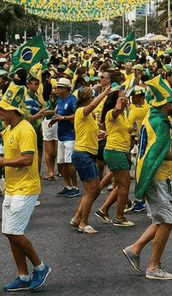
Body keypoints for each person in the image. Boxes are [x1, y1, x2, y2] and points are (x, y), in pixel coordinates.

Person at [122, 77, 172, 281]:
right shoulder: (159, 122)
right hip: (156, 177)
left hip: (156, 176)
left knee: (160, 219)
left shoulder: (152, 117)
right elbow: (160, 154)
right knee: (168, 220)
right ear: (165, 105)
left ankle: (134, 249)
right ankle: (153, 267)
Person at [0, 86, 51, 292]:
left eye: (3, 109)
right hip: (13, 188)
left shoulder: (24, 130)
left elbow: (27, 159)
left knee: (13, 231)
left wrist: (1, 162)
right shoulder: (12, 128)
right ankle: (23, 276)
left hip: (26, 188)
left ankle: (40, 267)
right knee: (10, 232)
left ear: (14, 111)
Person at [69, 84, 109, 233]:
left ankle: (77, 218)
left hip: (87, 155)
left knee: (95, 190)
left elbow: (91, 132)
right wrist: (104, 93)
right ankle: (83, 223)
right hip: (83, 155)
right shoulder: (81, 111)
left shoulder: (88, 117)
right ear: (88, 99)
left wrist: (102, 134)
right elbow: (93, 105)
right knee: (92, 191)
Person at [96, 88, 134, 226]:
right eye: (122, 98)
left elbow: (119, 128)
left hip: (120, 151)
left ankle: (104, 209)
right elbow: (116, 111)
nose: (125, 100)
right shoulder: (111, 113)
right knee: (124, 185)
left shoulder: (123, 114)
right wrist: (120, 102)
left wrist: (130, 130)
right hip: (115, 151)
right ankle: (119, 217)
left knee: (122, 184)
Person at [49, 77, 78, 198]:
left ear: (66, 89)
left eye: (59, 88)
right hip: (61, 135)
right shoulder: (60, 100)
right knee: (61, 163)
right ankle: (68, 186)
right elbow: (58, 115)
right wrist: (53, 121)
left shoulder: (72, 100)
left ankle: (75, 187)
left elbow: (77, 115)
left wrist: (63, 118)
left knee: (69, 162)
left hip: (70, 135)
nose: (57, 90)